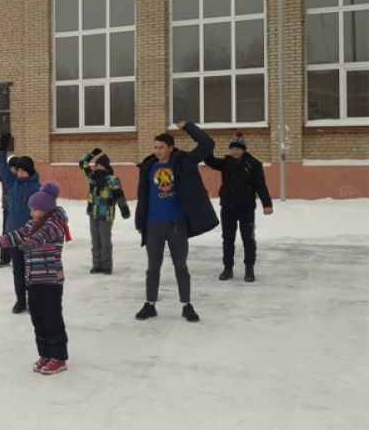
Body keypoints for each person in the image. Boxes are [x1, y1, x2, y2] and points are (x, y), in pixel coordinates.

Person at [0, 182, 71, 375]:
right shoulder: (33, 223)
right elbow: (17, 234)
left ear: (45, 209)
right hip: (33, 279)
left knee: (52, 318)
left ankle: (59, 357)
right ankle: (45, 354)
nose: (31, 212)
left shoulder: (54, 224)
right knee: (37, 318)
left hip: (50, 281)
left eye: (35, 209)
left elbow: (42, 237)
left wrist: (30, 244)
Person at [134, 121, 218, 323]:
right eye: (155, 147)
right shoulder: (148, 167)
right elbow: (143, 196)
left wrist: (188, 127)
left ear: (171, 148)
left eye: (161, 147)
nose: (158, 151)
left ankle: (186, 305)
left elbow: (207, 144)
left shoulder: (183, 162)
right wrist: (140, 221)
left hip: (176, 224)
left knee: (180, 265)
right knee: (153, 267)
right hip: (153, 224)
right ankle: (150, 304)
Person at [205, 131, 273, 282]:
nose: (235, 151)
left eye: (238, 148)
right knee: (228, 238)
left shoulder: (253, 164)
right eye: (233, 148)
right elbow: (210, 161)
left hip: (246, 207)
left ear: (243, 149)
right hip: (228, 206)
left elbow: (260, 185)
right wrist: (206, 146)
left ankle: (249, 268)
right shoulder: (226, 162)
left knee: (248, 238)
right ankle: (227, 268)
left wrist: (267, 204)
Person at [0, 133, 41, 314]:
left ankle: (35, 300)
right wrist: (2, 148)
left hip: (31, 236)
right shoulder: (13, 183)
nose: (19, 173)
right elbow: (1, 168)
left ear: (29, 171)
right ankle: (21, 300)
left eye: (23, 170)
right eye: (18, 170)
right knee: (18, 270)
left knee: (33, 271)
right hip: (14, 234)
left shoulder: (37, 188)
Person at [79, 148, 131, 274]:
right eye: (97, 165)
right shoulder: (92, 177)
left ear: (107, 168)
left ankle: (107, 266)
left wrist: (124, 209)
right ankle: (97, 265)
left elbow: (119, 195)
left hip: (106, 215)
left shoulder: (112, 180)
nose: (99, 168)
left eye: (102, 166)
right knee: (95, 241)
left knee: (105, 241)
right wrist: (92, 154)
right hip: (93, 214)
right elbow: (82, 163)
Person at [0, 155, 20, 268]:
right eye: (10, 167)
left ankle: (22, 258)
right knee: (6, 234)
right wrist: (0, 158)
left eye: (13, 167)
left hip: (20, 210)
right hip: (8, 209)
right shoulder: (6, 177)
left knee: (21, 234)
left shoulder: (23, 178)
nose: (11, 169)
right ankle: (5, 259)